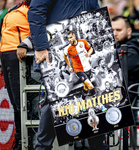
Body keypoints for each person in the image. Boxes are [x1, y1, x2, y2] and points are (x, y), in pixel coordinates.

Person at [26, 0, 106, 149]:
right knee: (55, 101)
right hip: (55, 52)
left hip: (82, 54)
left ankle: (98, 146)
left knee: (93, 99)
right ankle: (42, 147)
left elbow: (95, 13)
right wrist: (41, 46)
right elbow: (35, 12)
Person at [0, 1, 31, 150]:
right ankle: (19, 138)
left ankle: (25, 140)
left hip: (17, 56)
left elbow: (38, 30)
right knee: (14, 101)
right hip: (6, 55)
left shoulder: (30, 9)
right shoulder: (16, 9)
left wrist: (26, 45)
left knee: (21, 102)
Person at [111, 16, 139, 103]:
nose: (114, 33)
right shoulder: (116, 46)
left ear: (129, 31)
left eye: (118, 30)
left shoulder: (132, 52)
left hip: (124, 102)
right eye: (112, 30)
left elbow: (111, 70)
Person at [64, 31, 96, 100]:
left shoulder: (82, 42)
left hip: (87, 68)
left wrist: (88, 54)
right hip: (78, 70)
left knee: (86, 87)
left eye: (71, 37)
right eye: (68, 38)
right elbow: (65, 56)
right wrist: (69, 67)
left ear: (74, 36)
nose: (69, 40)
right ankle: (100, 104)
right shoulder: (67, 48)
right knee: (90, 85)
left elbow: (91, 49)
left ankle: (82, 99)